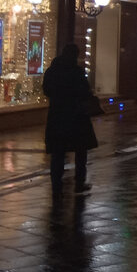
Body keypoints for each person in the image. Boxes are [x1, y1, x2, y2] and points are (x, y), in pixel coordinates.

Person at [42, 43, 98, 198]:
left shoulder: (52, 71)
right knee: (81, 150)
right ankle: (79, 182)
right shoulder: (76, 72)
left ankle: (56, 183)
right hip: (76, 116)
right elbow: (85, 92)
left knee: (58, 151)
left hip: (57, 115)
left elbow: (46, 90)